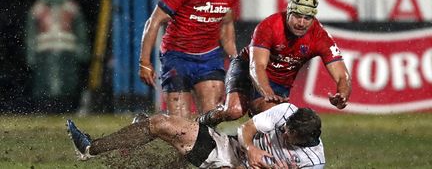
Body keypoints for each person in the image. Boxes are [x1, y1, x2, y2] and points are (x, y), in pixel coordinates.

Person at [198, 0, 352, 127]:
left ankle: (247, 149)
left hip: (279, 82)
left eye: (307, 18)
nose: (302, 23)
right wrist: (266, 92)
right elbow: (256, 67)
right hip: (246, 69)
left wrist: (343, 95)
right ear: (288, 12)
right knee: (234, 111)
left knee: (272, 121)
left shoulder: (320, 36)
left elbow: (342, 76)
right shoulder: (269, 26)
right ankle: (206, 120)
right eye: (297, 16)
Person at [138, 0, 239, 118]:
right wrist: (144, 62)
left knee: (211, 119)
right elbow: (154, 21)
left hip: (209, 57)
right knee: (180, 128)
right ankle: (146, 125)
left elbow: (225, 25)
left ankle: (204, 146)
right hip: (177, 57)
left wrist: (235, 60)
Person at [66, 102, 325, 168]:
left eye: (288, 135)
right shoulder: (287, 112)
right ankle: (90, 148)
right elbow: (247, 129)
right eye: (284, 128)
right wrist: (251, 148)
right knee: (162, 123)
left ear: (302, 140)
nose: (283, 133)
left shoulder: (313, 162)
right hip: (231, 149)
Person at [26, 0, 89, 113]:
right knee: (49, 83)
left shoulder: (40, 7)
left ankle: (61, 109)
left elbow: (80, 29)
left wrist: (82, 49)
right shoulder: (69, 6)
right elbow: (31, 32)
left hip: (60, 50)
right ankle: (52, 109)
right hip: (51, 50)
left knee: (63, 83)